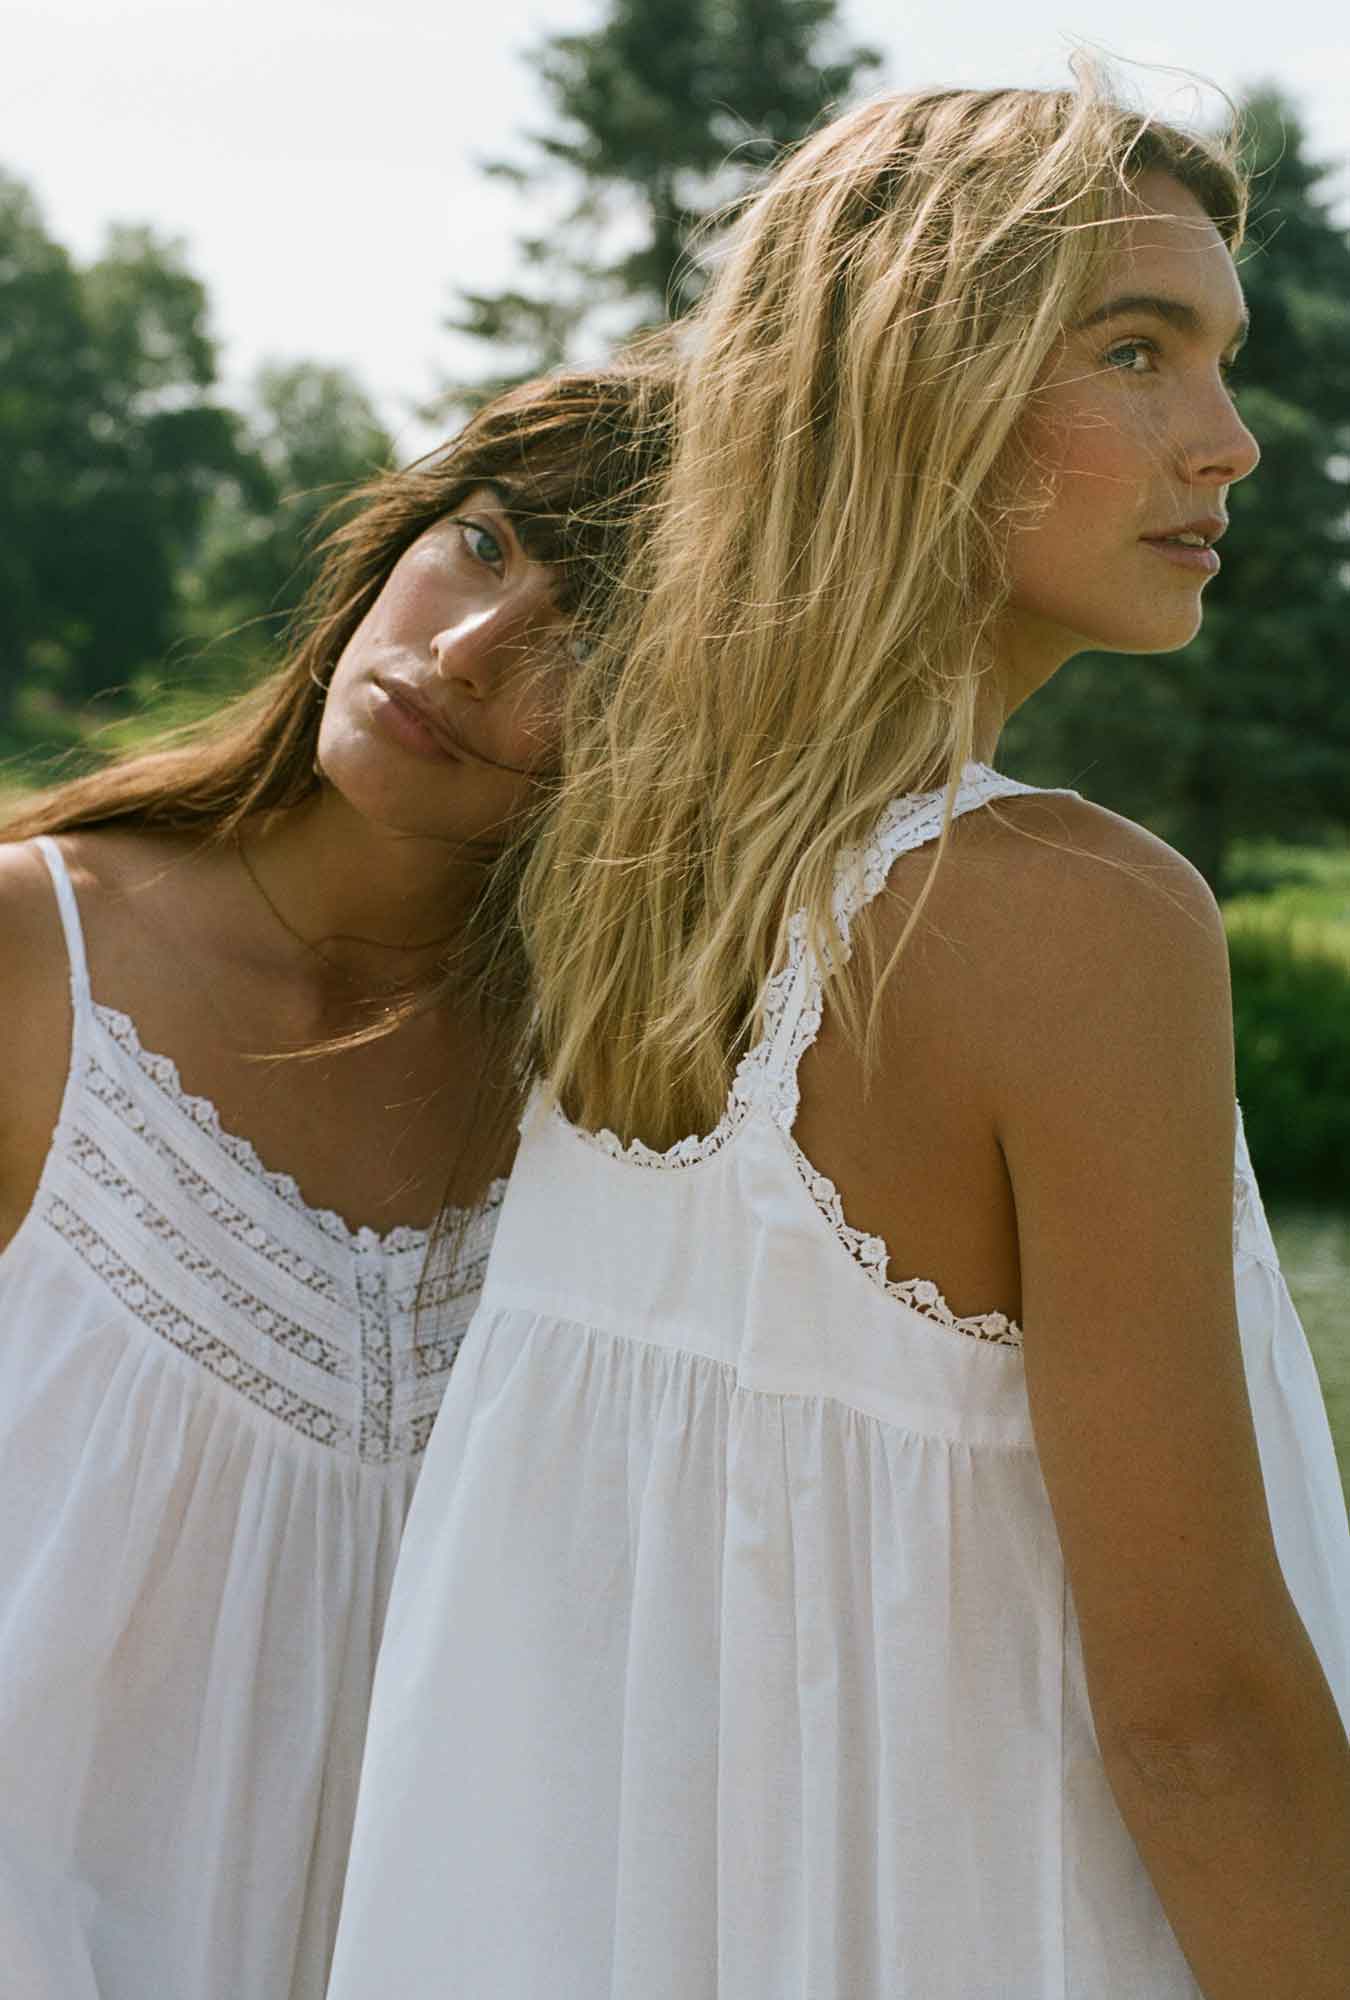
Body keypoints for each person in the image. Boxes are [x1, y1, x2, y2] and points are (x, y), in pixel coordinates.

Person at [327, 75, 1350, 2000]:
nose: (1227, 444)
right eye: (1138, 352)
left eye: (1219, 362)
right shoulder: (1079, 923)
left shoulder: (614, 878)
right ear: (909, 383)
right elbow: (1200, 1721)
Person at [0, 361, 670, 1999]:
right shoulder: (30, 957)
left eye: (588, 639)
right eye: (487, 544)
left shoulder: (616, 1111)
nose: (463, 651)